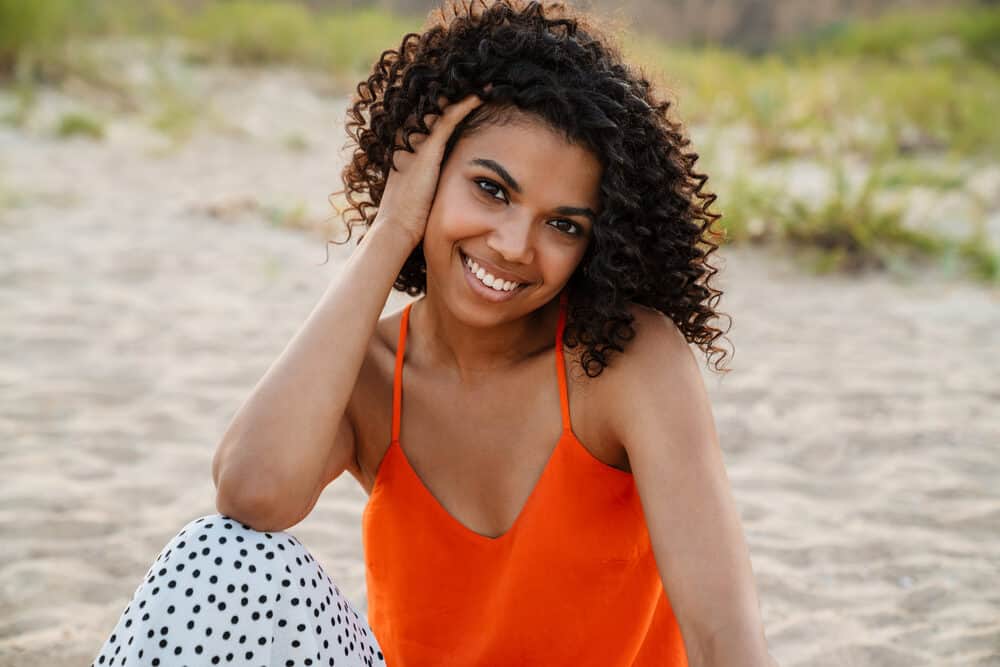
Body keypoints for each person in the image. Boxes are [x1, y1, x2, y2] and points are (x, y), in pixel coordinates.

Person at [92, 0, 779, 665]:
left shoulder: (625, 362)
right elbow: (249, 491)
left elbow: (724, 636)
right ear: (424, 174)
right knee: (218, 554)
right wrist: (391, 230)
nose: (514, 244)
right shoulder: (368, 372)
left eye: (563, 224)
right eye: (491, 189)